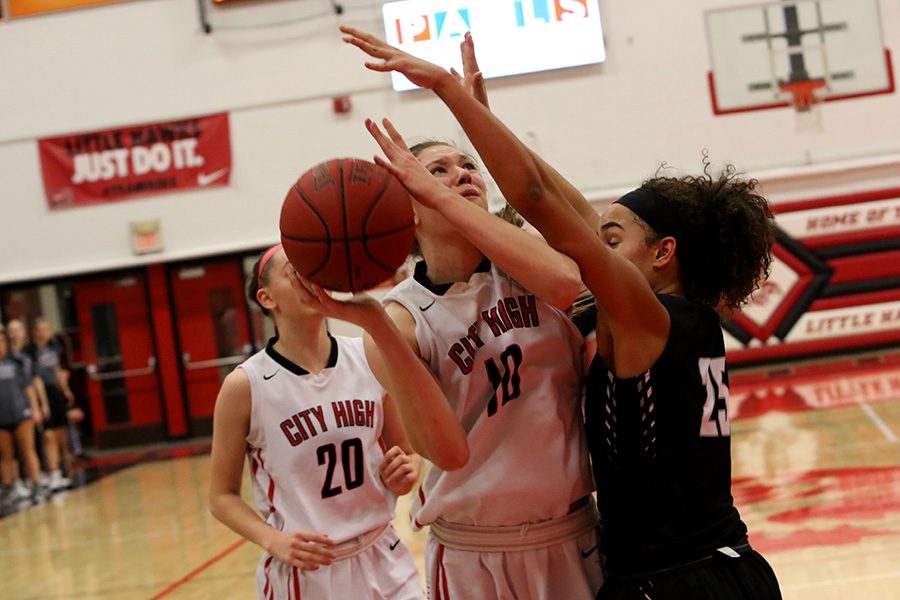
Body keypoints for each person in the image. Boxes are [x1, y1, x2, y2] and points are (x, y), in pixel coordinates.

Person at [344, 29, 782, 599]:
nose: (594, 248)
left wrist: (447, 90)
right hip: (710, 563)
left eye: (612, 241)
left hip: (675, 578)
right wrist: (483, 120)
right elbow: (549, 193)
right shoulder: (676, 317)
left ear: (662, 252)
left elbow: (536, 199)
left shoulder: (645, 317)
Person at [340, 28, 603, 600]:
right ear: (406, 208)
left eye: (468, 167)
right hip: (471, 550)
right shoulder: (402, 318)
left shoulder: (530, 265)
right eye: (436, 171)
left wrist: (487, 141)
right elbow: (440, 451)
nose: (462, 175)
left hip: (570, 533)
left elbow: (566, 279)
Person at [209, 244, 461, 600]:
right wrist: (273, 540)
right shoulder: (245, 385)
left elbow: (407, 451)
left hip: (384, 554)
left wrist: (407, 470)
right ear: (267, 298)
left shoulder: (367, 354)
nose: (307, 279)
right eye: (293, 273)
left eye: (311, 270)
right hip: (310, 573)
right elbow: (221, 497)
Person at [26, 317, 74, 491]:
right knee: (48, 435)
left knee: (61, 431)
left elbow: (57, 368)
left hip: (55, 392)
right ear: (34, 332)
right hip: (41, 393)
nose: (44, 332)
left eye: (47, 329)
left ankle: (62, 466)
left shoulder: (53, 346)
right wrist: (42, 403)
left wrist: (66, 389)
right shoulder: (30, 351)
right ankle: (51, 470)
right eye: (40, 329)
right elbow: (35, 378)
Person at [0, 326, 44, 505]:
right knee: (6, 456)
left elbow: (28, 387)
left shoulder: (16, 362)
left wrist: (35, 409)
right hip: (1, 417)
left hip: (21, 413)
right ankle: (12, 487)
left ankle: (36, 485)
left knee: (28, 451)